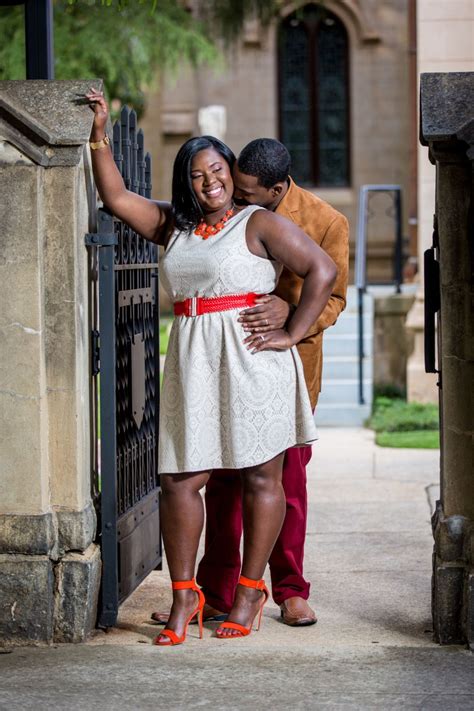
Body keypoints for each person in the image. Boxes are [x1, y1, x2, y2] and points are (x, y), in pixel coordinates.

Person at [85, 89, 337, 646]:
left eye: (217, 170)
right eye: (197, 175)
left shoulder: (257, 222)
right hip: (194, 358)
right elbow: (115, 196)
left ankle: (250, 591)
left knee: (260, 477)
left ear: (231, 171)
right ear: (188, 182)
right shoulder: (172, 225)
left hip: (253, 360)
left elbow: (323, 268)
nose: (209, 182)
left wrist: (293, 330)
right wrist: (101, 134)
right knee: (180, 479)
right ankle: (185, 598)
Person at [153, 139, 349, 628]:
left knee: (285, 483)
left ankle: (288, 589)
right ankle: (214, 588)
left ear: (277, 189)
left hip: (282, 362)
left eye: (247, 192)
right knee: (219, 483)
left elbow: (333, 294)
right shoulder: (232, 209)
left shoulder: (327, 221)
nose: (235, 198)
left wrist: (291, 317)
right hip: (219, 361)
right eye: (232, 185)